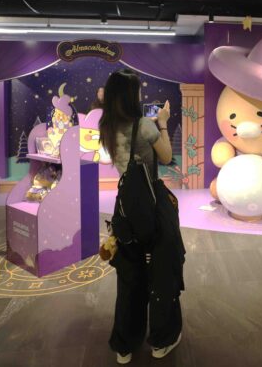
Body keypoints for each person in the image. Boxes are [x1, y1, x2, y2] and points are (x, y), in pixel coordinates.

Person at [98, 69, 181, 364]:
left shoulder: (106, 126)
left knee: (130, 276)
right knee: (162, 272)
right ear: (131, 96)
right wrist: (163, 122)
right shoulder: (145, 125)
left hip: (125, 208)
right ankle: (162, 339)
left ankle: (125, 344)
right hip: (154, 205)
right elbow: (167, 157)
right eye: (137, 91)